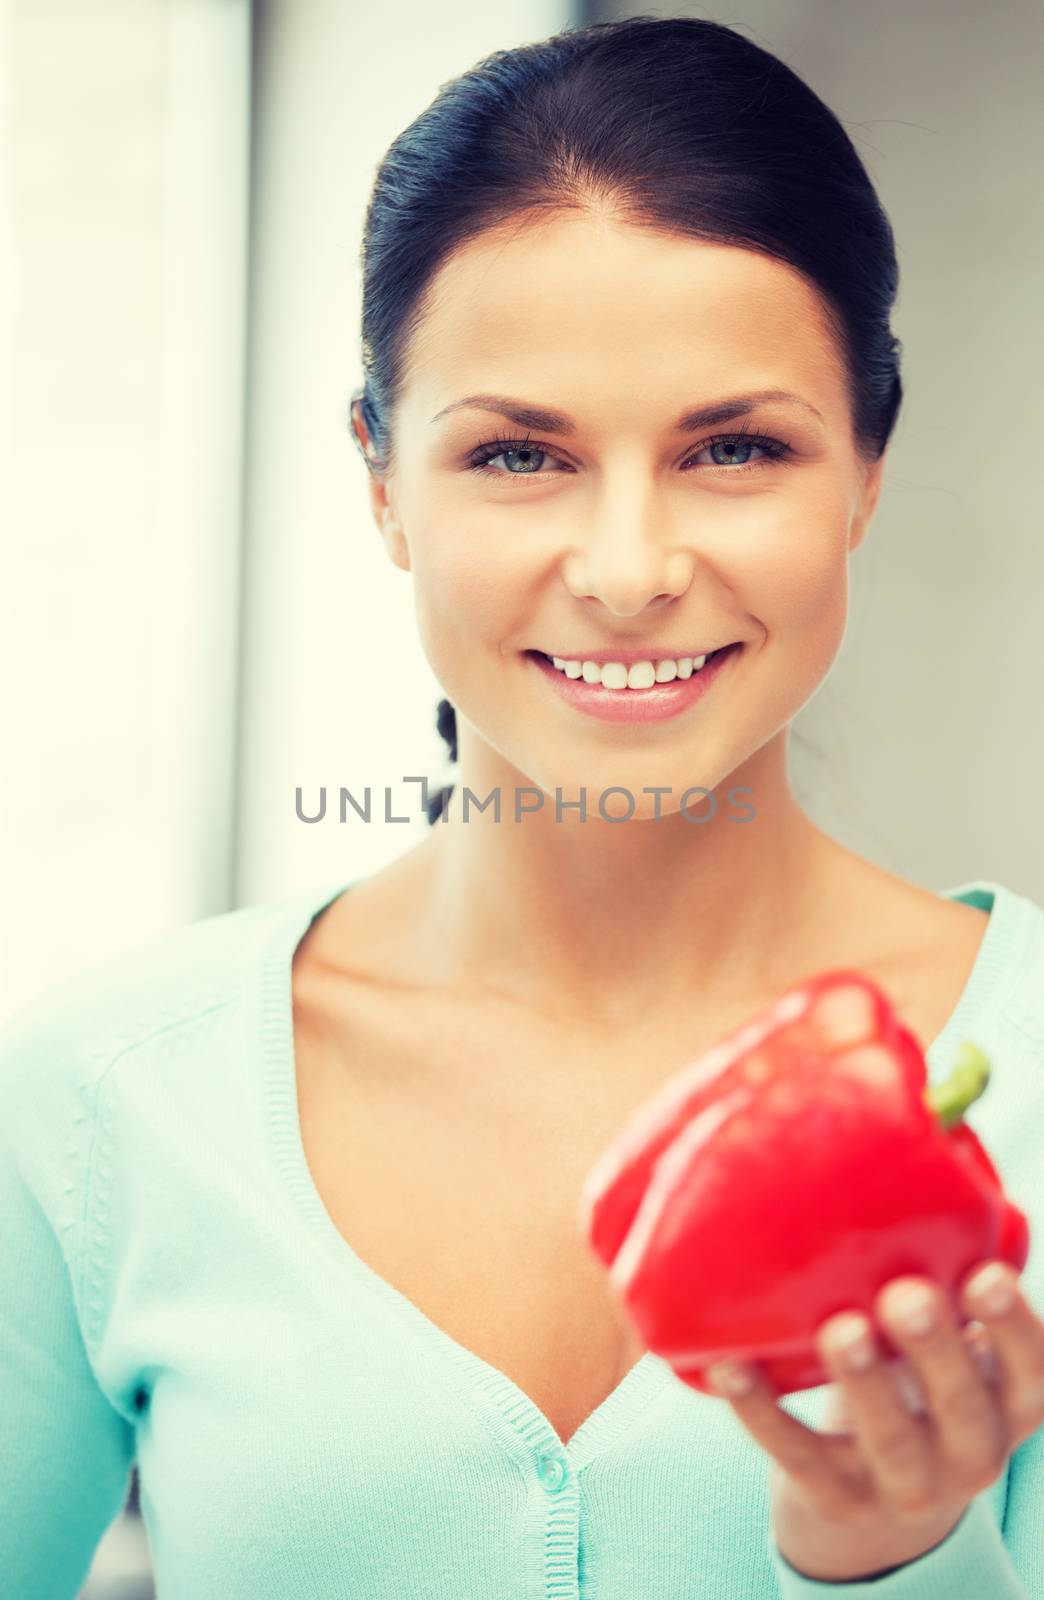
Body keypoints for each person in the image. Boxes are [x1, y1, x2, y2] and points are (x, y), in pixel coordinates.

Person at [2, 15, 1042, 1598]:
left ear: (866, 469)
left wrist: (893, 1558)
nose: (629, 570)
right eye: (516, 456)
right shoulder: (105, 1100)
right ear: (378, 480)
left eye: (738, 446)